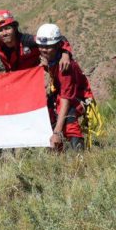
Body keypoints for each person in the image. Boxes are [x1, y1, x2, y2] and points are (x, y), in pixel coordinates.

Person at [36, 23, 88, 151]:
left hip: (76, 97)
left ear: (57, 46)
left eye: (48, 47)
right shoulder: (54, 57)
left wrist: (57, 132)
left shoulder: (65, 68)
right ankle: (58, 153)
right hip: (60, 93)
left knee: (69, 122)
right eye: (41, 46)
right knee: (51, 117)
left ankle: (79, 156)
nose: (44, 49)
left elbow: (66, 100)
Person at [0, 9, 72, 73]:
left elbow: (58, 39)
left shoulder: (28, 41)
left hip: (32, 80)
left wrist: (65, 54)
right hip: (14, 80)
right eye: (0, 30)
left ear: (14, 28)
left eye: (7, 28)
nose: (4, 33)